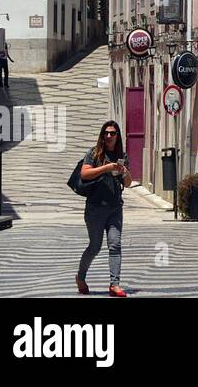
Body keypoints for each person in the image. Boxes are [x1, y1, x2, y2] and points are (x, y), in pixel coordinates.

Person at [76, 120, 131, 296]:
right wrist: (106, 168)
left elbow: (128, 183)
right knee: (95, 246)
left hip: (115, 208)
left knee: (115, 245)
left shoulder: (122, 155)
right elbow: (84, 174)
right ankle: (81, 277)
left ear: (117, 135)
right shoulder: (94, 153)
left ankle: (114, 285)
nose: (109, 136)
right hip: (95, 208)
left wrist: (124, 172)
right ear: (102, 135)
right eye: (106, 133)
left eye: (112, 133)